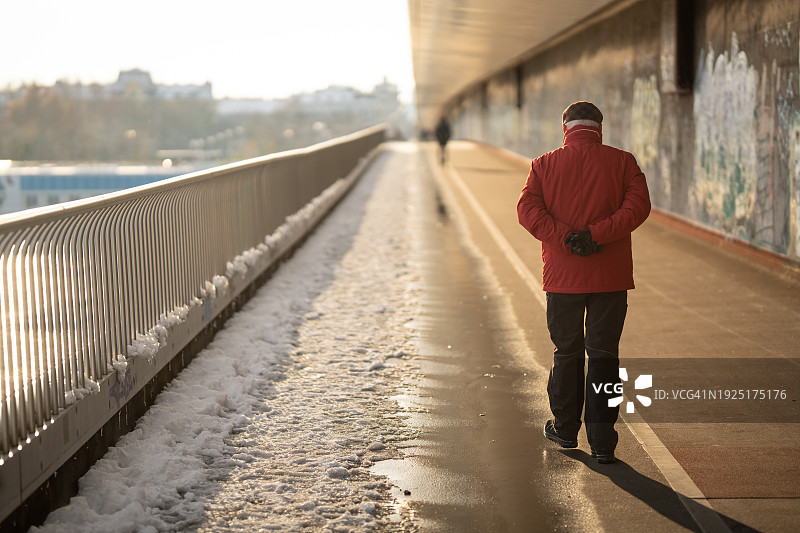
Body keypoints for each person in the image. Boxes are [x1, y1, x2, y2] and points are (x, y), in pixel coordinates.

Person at [516, 101, 651, 464]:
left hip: (563, 278)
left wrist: (566, 238)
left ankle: (564, 429)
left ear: (566, 128)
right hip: (611, 277)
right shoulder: (623, 162)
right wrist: (597, 235)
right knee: (604, 354)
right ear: (599, 128)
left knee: (567, 352)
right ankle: (603, 440)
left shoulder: (543, 165)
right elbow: (638, 207)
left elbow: (527, 211)